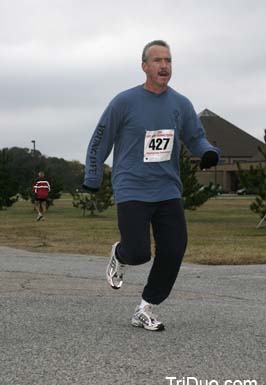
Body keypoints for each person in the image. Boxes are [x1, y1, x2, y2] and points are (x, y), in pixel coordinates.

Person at [83, 40, 220, 331]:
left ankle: (146, 308)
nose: (164, 66)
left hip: (168, 189)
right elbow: (100, 140)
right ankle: (121, 254)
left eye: (168, 60)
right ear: (144, 66)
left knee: (174, 248)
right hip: (132, 187)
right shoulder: (124, 102)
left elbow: (196, 136)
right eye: (157, 60)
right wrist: (92, 177)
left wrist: (208, 152)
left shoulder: (180, 104)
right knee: (139, 253)